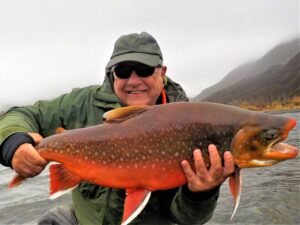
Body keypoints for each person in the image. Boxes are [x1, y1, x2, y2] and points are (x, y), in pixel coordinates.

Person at [0, 32, 234, 225]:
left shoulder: (190, 123)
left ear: (162, 73)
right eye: (123, 71)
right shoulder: (80, 104)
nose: (133, 81)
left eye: (143, 70)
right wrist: (14, 144)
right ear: (112, 74)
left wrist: (201, 193)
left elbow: (187, 219)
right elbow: (20, 115)